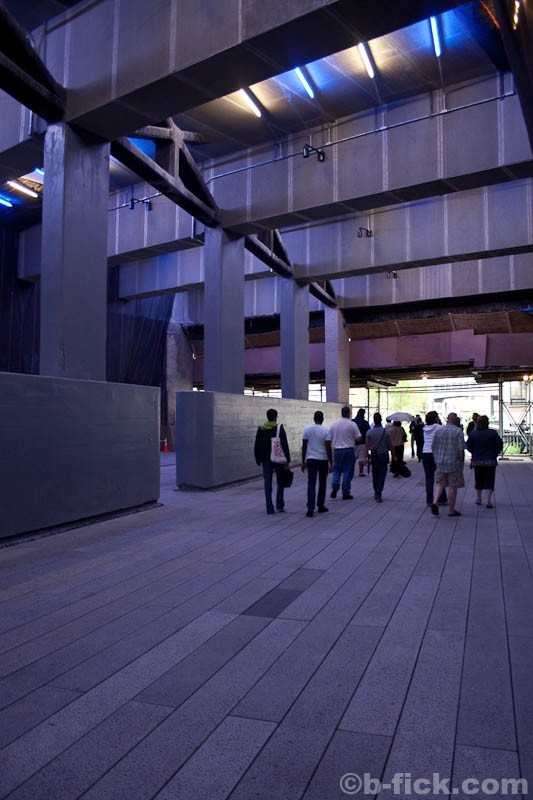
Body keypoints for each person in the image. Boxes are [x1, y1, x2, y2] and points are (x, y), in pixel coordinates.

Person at [254, 408, 290, 514]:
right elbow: (284, 445)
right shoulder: (279, 428)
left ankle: (269, 508)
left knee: (267, 483)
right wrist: (287, 460)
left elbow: (257, 445)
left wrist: (258, 458)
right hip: (277, 459)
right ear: (275, 417)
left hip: (265, 460)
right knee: (280, 482)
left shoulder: (261, 429)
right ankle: (279, 505)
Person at [431, 412, 465, 517]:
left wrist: (437, 457)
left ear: (447, 419)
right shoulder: (458, 431)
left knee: (440, 483)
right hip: (453, 463)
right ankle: (451, 510)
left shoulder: (438, 430)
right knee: (452, 486)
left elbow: (433, 447)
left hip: (440, 462)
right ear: (455, 420)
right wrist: (461, 460)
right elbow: (461, 449)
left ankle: (435, 501)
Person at [466, 415, 503, 508]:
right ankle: (488, 500)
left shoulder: (473, 434)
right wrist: (495, 452)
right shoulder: (493, 433)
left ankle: (478, 498)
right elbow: (499, 444)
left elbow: (468, 446)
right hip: (490, 460)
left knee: (478, 479)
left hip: (477, 460)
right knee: (489, 480)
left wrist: (474, 452)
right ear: (487, 423)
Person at [301, 410, 333, 517]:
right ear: (322, 419)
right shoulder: (326, 430)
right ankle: (320, 505)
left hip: (311, 459)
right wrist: (331, 463)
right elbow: (328, 448)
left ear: (314, 419)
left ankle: (310, 507)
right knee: (322, 483)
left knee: (311, 483)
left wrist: (303, 461)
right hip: (323, 459)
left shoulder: (307, 429)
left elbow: (304, 447)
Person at [329, 406, 361, 500]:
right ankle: (345, 492)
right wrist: (354, 439)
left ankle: (335, 486)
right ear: (348, 413)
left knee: (337, 470)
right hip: (349, 450)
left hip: (337, 450)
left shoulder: (334, 424)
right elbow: (359, 437)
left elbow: (329, 437)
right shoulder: (352, 424)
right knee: (347, 471)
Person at [421, 410, 447, 507]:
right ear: (436, 418)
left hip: (425, 453)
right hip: (436, 454)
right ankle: (442, 498)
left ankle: (429, 500)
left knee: (429, 478)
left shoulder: (425, 428)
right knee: (440, 477)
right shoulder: (439, 428)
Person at [365, 412, 392, 502]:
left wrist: (365, 457)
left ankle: (376, 490)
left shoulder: (369, 432)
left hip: (374, 455)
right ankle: (378, 491)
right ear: (381, 420)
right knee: (382, 474)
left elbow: (367, 446)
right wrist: (394, 455)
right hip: (383, 455)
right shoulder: (386, 432)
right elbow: (390, 445)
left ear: (374, 420)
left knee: (375, 473)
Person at [353, 408, 370, 477]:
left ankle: (351, 471)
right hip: (362, 442)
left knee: (352, 458)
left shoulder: (353, 422)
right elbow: (368, 433)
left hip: (353, 442)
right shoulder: (365, 423)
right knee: (361, 458)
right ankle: (361, 472)